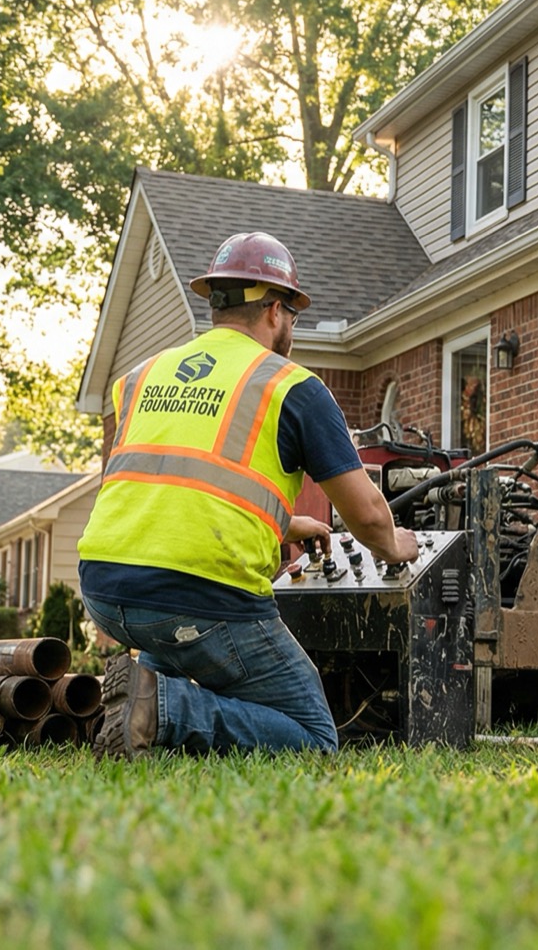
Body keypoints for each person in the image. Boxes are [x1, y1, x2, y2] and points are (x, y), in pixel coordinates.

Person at [79, 231, 419, 757]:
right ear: (276, 310)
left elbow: (172, 491)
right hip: (195, 595)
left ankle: (142, 701)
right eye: (293, 316)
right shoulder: (291, 386)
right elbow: (371, 518)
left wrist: (281, 524)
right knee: (313, 737)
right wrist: (401, 547)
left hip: (105, 589)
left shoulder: (141, 377)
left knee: (172, 629)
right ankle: (163, 707)